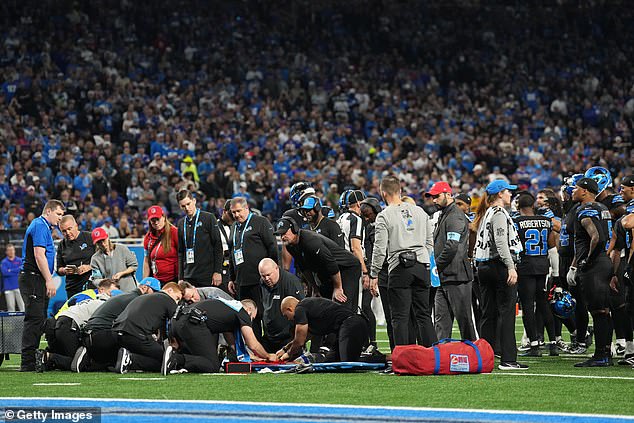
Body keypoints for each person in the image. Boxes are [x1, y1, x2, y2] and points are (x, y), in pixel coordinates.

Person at [369, 175, 436, 347]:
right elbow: (430, 241)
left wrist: (374, 272)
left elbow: (379, 247)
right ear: (400, 191)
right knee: (424, 315)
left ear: (382, 193)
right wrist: (422, 257)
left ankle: (404, 360)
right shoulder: (420, 211)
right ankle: (432, 357)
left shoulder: (384, 216)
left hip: (399, 268)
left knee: (400, 316)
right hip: (422, 266)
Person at [473, 180, 527, 370]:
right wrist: (510, 266)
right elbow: (501, 242)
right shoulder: (498, 213)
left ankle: (485, 357)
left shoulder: (486, 213)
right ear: (499, 194)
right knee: (506, 312)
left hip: (484, 266)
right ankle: (508, 359)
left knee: (488, 313)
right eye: (507, 192)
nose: (510, 195)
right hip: (499, 266)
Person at [162, 298, 277, 375]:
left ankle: (174, 360)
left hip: (177, 321)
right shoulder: (242, 311)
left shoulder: (227, 306)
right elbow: (253, 344)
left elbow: (231, 341)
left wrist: (251, 356)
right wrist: (267, 356)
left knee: (201, 358)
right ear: (249, 310)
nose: (249, 321)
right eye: (251, 317)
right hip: (193, 324)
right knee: (212, 365)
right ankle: (176, 358)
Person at [568, 178, 614, 367]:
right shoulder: (602, 207)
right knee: (604, 310)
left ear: (585, 191)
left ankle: (601, 355)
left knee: (598, 311)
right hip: (604, 262)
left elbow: (597, 236)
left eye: (576, 188)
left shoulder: (584, 210)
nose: (573, 191)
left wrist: (586, 260)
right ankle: (605, 353)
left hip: (595, 265)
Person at [72, 277, 161, 372]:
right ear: (144, 288)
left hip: (89, 336)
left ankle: (87, 360)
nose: (155, 295)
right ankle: (130, 359)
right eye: (154, 291)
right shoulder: (137, 300)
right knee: (145, 350)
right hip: (104, 335)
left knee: (111, 364)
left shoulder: (124, 296)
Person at [426, 181, 478, 341]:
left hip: (457, 277)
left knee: (465, 322)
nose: (434, 200)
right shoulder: (446, 213)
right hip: (444, 277)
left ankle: (474, 356)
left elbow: (451, 246)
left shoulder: (455, 215)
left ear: (448, 194)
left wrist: (436, 266)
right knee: (441, 322)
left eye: (437, 196)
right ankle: (441, 356)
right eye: (432, 197)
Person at [275, 216, 360, 311]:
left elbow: (330, 263)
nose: (282, 237)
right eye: (280, 234)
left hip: (346, 267)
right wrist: (315, 288)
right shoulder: (290, 246)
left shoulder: (310, 241)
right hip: (328, 271)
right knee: (325, 304)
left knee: (341, 305)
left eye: (285, 233)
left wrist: (338, 287)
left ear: (294, 229)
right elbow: (304, 268)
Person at [19, 199, 65, 371]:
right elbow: (39, 255)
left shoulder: (44, 227)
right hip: (33, 278)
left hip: (36, 278)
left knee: (38, 319)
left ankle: (34, 359)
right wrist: (48, 279)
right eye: (58, 214)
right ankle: (28, 363)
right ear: (48, 212)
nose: (60, 218)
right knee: (34, 319)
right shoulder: (39, 225)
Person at [37, 280, 117, 372]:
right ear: (102, 290)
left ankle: (49, 358)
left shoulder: (90, 296)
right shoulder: (103, 302)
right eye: (112, 292)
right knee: (80, 362)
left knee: (70, 357)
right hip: (68, 326)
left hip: (57, 324)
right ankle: (49, 357)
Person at [513, 191, 558, 357]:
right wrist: (557, 272)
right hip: (543, 266)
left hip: (525, 266)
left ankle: (534, 345)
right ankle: (553, 343)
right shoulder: (546, 221)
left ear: (518, 206)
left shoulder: (516, 222)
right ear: (533, 205)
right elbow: (552, 247)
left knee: (527, 306)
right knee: (543, 303)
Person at [227, 197, 278, 339]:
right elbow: (232, 254)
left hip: (260, 279)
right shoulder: (234, 227)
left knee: (265, 314)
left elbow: (272, 248)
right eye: (233, 212)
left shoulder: (260, 222)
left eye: (238, 211)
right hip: (242, 281)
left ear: (246, 208)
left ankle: (270, 344)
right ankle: (254, 346)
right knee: (247, 316)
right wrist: (232, 278)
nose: (236, 215)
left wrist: (275, 273)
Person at [112, 282, 183, 373]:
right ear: (170, 290)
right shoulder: (166, 299)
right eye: (177, 298)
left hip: (117, 332)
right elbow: (175, 322)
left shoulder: (143, 297)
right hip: (137, 334)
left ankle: (128, 359)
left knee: (156, 355)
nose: (176, 302)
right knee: (166, 361)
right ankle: (131, 360)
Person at [278, 296, 369, 362]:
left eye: (286, 316)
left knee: (348, 363)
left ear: (290, 309)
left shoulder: (299, 309)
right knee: (330, 362)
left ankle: (377, 358)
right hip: (350, 325)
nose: (289, 319)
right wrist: (284, 349)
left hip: (352, 325)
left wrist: (288, 355)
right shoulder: (307, 307)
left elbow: (299, 342)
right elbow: (305, 337)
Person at [607, 175, 634, 363]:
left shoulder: (628, 213)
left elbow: (629, 225)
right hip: (625, 259)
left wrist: (630, 265)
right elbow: (616, 244)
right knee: (629, 306)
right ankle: (631, 350)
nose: (620, 191)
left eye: (623, 188)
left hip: (630, 260)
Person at [176, 189, 223, 287]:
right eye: (183, 206)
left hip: (207, 275)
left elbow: (218, 246)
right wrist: (180, 277)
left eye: (188, 204)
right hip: (188, 275)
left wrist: (217, 271)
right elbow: (181, 252)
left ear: (194, 201)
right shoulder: (181, 223)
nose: (187, 208)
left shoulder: (208, 218)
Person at [258, 258, 304, 352]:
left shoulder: (291, 282)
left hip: (287, 338)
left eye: (268, 275)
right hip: (269, 337)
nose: (266, 279)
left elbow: (301, 310)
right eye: (263, 276)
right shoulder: (262, 283)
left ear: (276, 268)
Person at [56, 215, 95, 297]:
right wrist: (64, 270)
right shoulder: (61, 245)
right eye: (64, 231)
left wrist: (89, 267)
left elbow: (103, 259)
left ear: (76, 226)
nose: (67, 233)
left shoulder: (89, 237)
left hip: (92, 284)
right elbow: (59, 268)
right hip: (72, 288)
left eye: (69, 229)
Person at [90, 227, 138, 292]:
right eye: (99, 243)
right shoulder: (95, 258)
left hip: (129, 289)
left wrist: (122, 273)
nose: (103, 244)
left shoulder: (122, 248)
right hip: (111, 293)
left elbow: (133, 265)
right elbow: (96, 279)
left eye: (103, 240)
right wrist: (106, 281)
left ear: (108, 237)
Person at [143, 205, 178, 284]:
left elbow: (182, 256)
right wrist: (144, 282)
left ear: (164, 217)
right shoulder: (148, 238)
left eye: (157, 219)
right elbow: (146, 261)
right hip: (156, 281)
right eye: (153, 220)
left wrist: (182, 279)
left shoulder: (174, 232)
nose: (156, 222)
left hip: (173, 280)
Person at [217, 199, 234, 292]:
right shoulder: (215, 227)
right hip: (222, 269)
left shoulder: (238, 227)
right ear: (224, 211)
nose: (234, 217)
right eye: (231, 215)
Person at [1, 243, 24, 312]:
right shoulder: (4, 262)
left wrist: (10, 270)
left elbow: (22, 269)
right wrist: (17, 270)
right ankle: (11, 323)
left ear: (14, 251)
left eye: (12, 250)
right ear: (6, 252)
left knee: (22, 307)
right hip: (8, 288)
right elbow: (4, 273)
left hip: (19, 287)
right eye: (9, 250)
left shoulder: (20, 260)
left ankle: (24, 322)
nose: (11, 252)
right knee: (11, 309)